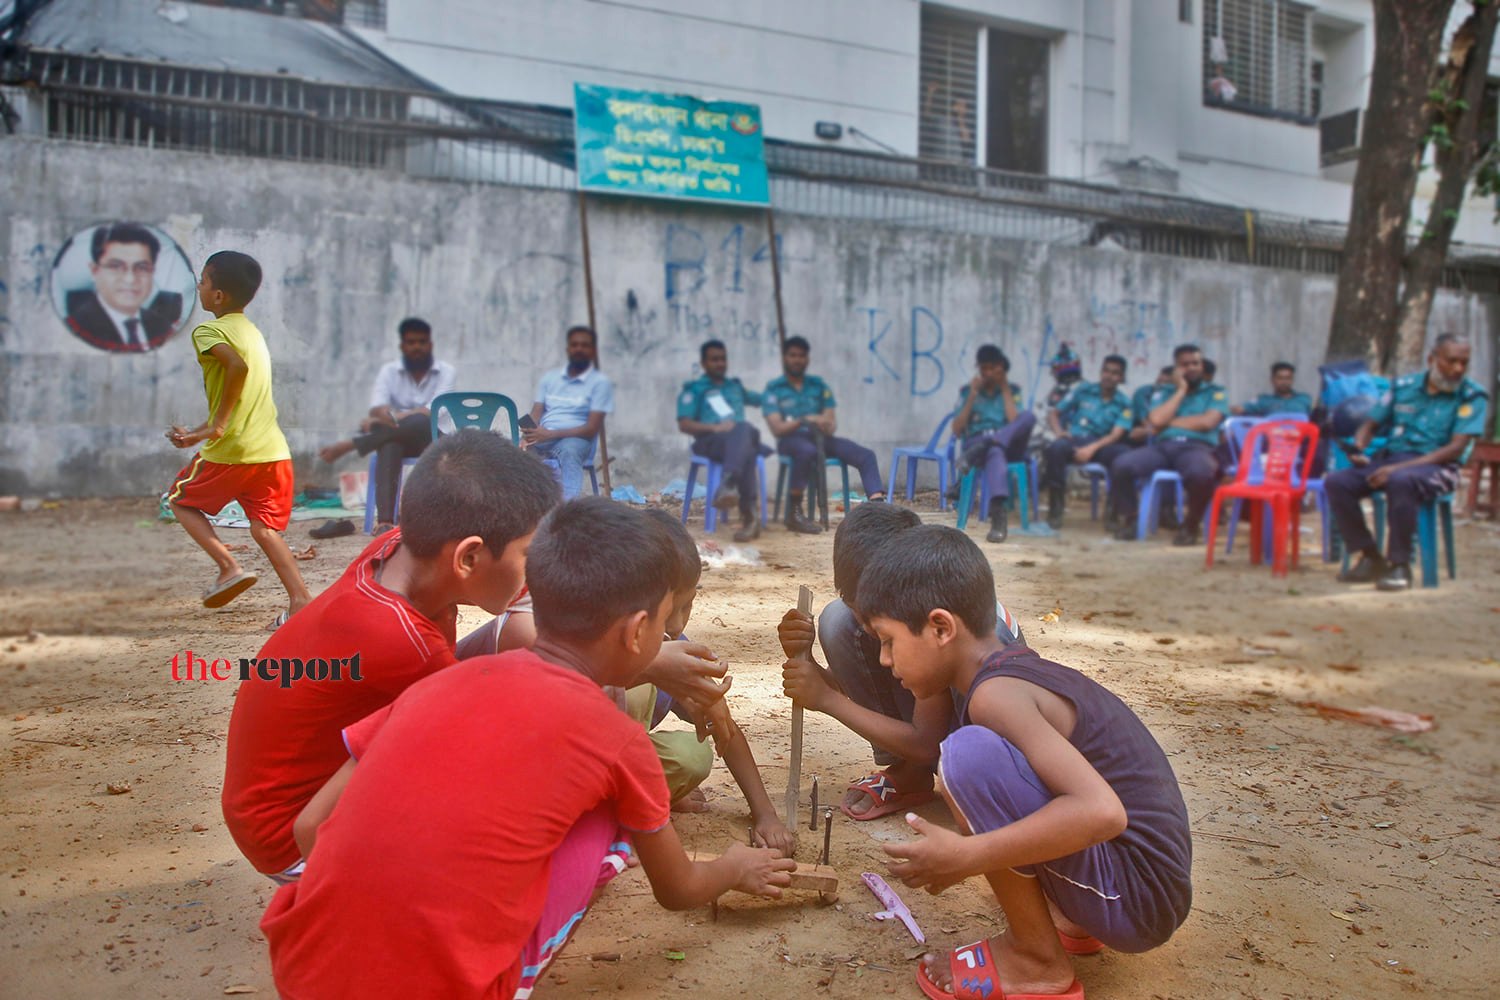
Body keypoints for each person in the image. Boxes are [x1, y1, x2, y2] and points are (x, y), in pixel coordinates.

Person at [262, 499, 796, 999]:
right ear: (637, 632)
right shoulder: (618, 741)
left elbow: (310, 828)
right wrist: (732, 868)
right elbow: (677, 888)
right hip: (447, 987)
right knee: (612, 829)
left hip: (299, 965)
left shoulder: (438, 679)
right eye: (665, 622)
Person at [862, 526, 1191, 1000]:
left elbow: (1103, 812)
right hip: (1146, 889)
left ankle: (1036, 961)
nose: (885, 658)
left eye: (888, 640)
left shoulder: (995, 696)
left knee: (966, 757)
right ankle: (1073, 917)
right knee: (981, 756)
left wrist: (967, 856)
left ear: (940, 628)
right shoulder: (1013, 671)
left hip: (1138, 900)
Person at [221, 431, 560, 881]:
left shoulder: (399, 549)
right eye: (527, 555)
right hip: (293, 841)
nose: (535, 569)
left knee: (524, 649)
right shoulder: (403, 641)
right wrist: (642, 665)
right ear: (468, 558)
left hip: (281, 804)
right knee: (539, 824)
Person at [778, 503, 1023, 823]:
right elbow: (850, 688)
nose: (880, 653)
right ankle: (909, 772)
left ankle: (951, 778)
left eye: (877, 625)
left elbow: (926, 741)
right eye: (859, 611)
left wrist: (826, 700)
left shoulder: (951, 636)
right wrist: (806, 660)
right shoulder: (914, 606)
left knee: (967, 775)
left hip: (986, 750)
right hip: (931, 723)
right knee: (837, 621)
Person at [165, 251, 311, 628]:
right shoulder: (252, 331)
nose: (199, 286)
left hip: (233, 451)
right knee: (264, 529)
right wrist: (201, 429)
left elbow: (236, 367)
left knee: (179, 501)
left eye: (203, 280)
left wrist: (214, 428)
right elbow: (242, 391)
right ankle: (300, 601)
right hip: (272, 450)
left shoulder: (208, 331)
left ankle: (228, 567)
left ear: (218, 296)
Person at [1328, 334, 1488, 591]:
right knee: (1338, 482)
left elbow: (1456, 447)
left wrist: (1397, 468)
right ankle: (1370, 557)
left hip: (1438, 466)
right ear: (1432, 359)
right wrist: (1359, 446)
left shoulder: (1472, 396)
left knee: (1401, 481)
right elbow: (1371, 423)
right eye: (1451, 361)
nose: (1458, 369)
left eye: (1464, 362)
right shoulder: (1403, 386)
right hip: (1392, 459)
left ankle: (1400, 565)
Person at [316, 318, 456, 534]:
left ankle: (353, 444)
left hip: (435, 438)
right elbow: (378, 409)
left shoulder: (446, 371)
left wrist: (390, 418)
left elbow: (431, 412)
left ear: (430, 345)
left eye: (422, 342)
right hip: (398, 438)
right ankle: (386, 523)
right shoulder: (389, 371)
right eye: (411, 342)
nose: (417, 347)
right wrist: (387, 418)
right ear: (402, 346)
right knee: (390, 444)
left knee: (419, 421)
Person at [762, 336, 885, 534]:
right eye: (792, 355)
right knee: (806, 451)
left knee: (865, 455)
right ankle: (793, 513)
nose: (797, 360)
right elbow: (777, 427)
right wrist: (804, 420)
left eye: (801, 356)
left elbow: (830, 422)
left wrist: (821, 422)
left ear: (807, 359)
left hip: (821, 438)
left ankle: (879, 509)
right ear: (785, 358)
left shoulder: (818, 385)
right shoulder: (774, 388)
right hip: (791, 439)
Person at [1109, 344, 1228, 545]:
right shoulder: (1164, 392)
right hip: (1162, 448)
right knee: (1121, 465)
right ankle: (1131, 519)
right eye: (1185, 364)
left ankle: (1190, 525)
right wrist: (1180, 390)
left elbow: (1208, 422)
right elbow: (1155, 420)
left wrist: (1169, 423)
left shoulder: (1216, 392)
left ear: (1201, 365)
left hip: (1196, 447)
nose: (1191, 368)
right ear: (1176, 368)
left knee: (1202, 473)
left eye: (1196, 363)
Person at [677, 339, 767, 542]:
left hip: (738, 442)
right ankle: (749, 517)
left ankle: (728, 483)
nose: (720, 363)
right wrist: (714, 427)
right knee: (747, 441)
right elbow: (684, 424)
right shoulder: (694, 389)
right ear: (704, 363)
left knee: (745, 434)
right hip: (710, 442)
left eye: (723, 359)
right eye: (714, 359)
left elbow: (763, 399)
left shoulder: (734, 387)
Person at [948, 345, 1036, 543]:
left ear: (1000, 368)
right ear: (979, 368)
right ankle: (998, 517)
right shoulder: (967, 392)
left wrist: (1004, 387)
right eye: (984, 368)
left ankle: (990, 443)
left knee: (1028, 417)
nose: (987, 373)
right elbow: (957, 430)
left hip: (1010, 445)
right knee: (995, 452)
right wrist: (971, 396)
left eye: (992, 368)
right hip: (978, 443)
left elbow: (1016, 421)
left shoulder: (1012, 391)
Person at [1041, 355, 1132, 529]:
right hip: (1075, 439)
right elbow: (1054, 413)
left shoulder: (1124, 403)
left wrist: (1091, 449)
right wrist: (1060, 433)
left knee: (1122, 455)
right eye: (1106, 371)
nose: (1108, 376)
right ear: (1101, 372)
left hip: (1102, 444)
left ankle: (1112, 514)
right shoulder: (1083, 390)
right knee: (1055, 449)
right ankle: (1055, 511)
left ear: (1121, 378)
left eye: (1114, 373)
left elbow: (1116, 434)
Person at [64, 221, 183, 353]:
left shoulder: (163, 327)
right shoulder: (73, 330)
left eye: (142, 267)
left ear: (152, 272)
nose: (130, 279)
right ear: (94, 270)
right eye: (116, 266)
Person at [525, 325, 612, 499]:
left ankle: (568, 511)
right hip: (543, 437)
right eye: (575, 345)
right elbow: (536, 412)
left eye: (584, 345)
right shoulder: (549, 379)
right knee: (510, 452)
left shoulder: (600, 384)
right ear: (568, 349)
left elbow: (592, 428)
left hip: (577, 439)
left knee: (569, 450)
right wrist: (527, 434)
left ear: (593, 351)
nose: (579, 349)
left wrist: (551, 434)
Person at [1233, 361, 1313, 417]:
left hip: (1300, 439)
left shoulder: (1304, 399)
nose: (1284, 382)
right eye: (1280, 378)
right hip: (1273, 439)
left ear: (1292, 380)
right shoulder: (1263, 400)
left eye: (1288, 378)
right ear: (1272, 380)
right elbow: (1239, 409)